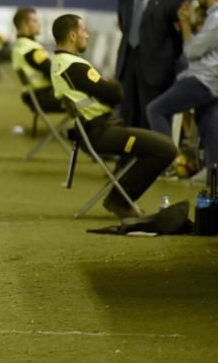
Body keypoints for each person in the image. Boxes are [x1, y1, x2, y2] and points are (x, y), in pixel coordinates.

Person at [51, 14, 176, 218]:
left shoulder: (59, 62)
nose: (87, 35)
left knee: (161, 146)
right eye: (84, 31)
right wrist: (111, 85)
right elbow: (115, 94)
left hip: (95, 130)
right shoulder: (74, 66)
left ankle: (119, 198)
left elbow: (105, 94)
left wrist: (106, 88)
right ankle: (118, 200)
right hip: (99, 133)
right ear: (72, 36)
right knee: (166, 149)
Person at [145, 0, 218, 166]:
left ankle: (167, 162)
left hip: (203, 80)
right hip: (211, 83)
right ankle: (214, 173)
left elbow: (191, 51)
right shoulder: (212, 17)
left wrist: (185, 25)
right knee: (209, 127)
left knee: (156, 110)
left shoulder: (216, 18)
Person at [115, 0, 184, 128]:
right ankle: (127, 153)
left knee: (149, 115)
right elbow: (124, 23)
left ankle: (147, 154)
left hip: (156, 68)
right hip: (128, 61)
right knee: (127, 111)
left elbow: (178, 36)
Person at [11, 6, 62, 114]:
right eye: (35, 21)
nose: (39, 24)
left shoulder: (19, 46)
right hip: (45, 96)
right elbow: (54, 73)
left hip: (33, 96)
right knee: (93, 100)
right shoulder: (32, 50)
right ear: (24, 25)